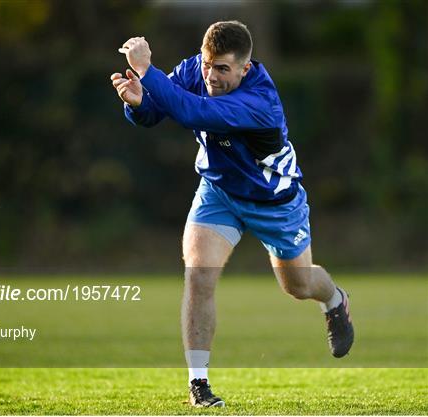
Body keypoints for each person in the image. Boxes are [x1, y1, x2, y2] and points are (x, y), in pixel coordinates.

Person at [111, 21, 354, 408]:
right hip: (219, 191)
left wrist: (146, 70)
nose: (211, 76)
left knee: (298, 285)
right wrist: (136, 102)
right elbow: (159, 107)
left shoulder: (260, 104)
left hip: (274, 202)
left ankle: (335, 301)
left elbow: (192, 111)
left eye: (223, 69)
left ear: (245, 68)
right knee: (198, 273)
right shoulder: (198, 69)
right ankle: (199, 384)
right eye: (208, 65)